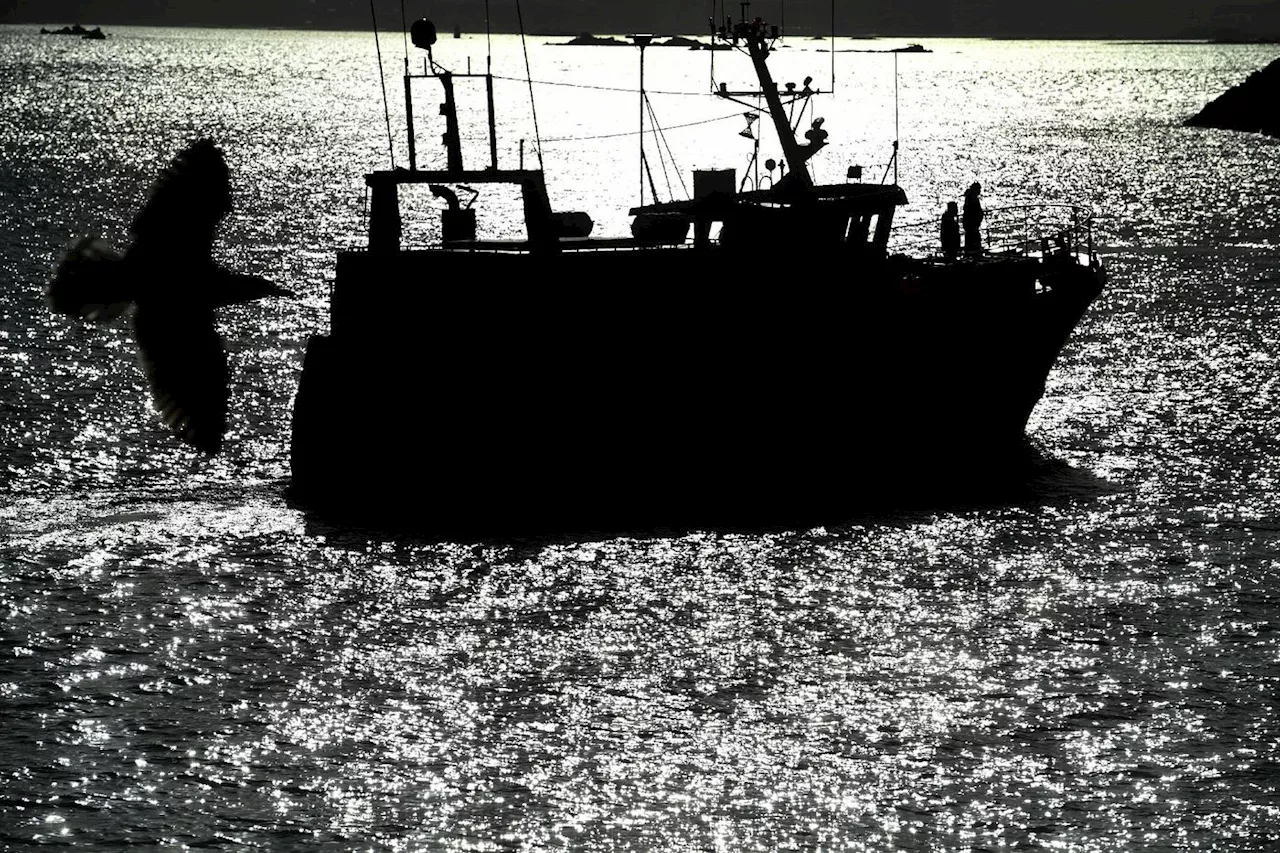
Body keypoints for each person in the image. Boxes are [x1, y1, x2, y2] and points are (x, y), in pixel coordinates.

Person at [962, 181, 983, 254]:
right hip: (972, 225)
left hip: (971, 224)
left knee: (971, 241)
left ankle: (972, 253)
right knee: (973, 242)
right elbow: (973, 212)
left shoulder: (970, 198)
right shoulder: (972, 199)